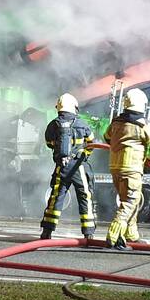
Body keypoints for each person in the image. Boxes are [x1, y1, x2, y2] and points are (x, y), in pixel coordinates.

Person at [104, 87, 150, 250]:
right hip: (132, 168)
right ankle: (114, 236)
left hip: (115, 167)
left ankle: (131, 235)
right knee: (130, 202)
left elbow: (107, 137)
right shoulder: (144, 124)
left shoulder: (116, 122)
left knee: (131, 200)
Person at [39, 93, 96, 241]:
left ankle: (47, 231)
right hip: (79, 166)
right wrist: (84, 154)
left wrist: (60, 154)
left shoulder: (53, 124)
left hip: (61, 167)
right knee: (85, 196)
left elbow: (48, 143)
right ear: (74, 108)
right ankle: (88, 233)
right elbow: (92, 143)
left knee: (56, 197)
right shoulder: (82, 124)